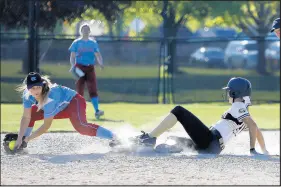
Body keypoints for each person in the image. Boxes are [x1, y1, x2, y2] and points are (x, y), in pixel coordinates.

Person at [129, 77, 269, 155]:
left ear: (235, 93)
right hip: (211, 147)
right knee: (173, 140)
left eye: (229, 91)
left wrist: (252, 150)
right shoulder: (244, 111)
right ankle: (162, 147)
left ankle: (149, 138)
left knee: (178, 110)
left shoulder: (238, 106)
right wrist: (264, 150)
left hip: (210, 140)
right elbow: (256, 129)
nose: (227, 94)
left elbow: (253, 126)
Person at [3, 72, 116, 154]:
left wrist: (28, 139)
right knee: (31, 114)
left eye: (38, 87)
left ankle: (115, 137)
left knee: (81, 127)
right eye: (32, 88)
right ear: (28, 89)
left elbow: (46, 126)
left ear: (42, 85)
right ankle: (22, 145)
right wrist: (20, 138)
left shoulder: (50, 97)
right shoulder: (27, 96)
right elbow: (26, 117)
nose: (35, 91)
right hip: (58, 108)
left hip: (73, 102)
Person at [69, 23, 104, 119]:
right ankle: (78, 112)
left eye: (87, 29)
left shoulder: (93, 43)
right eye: (83, 29)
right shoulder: (76, 42)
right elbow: (72, 56)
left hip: (90, 68)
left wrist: (100, 63)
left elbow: (98, 54)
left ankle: (97, 111)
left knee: (92, 89)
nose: (85, 31)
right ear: (81, 31)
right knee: (80, 89)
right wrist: (73, 66)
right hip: (79, 68)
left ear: (89, 31)